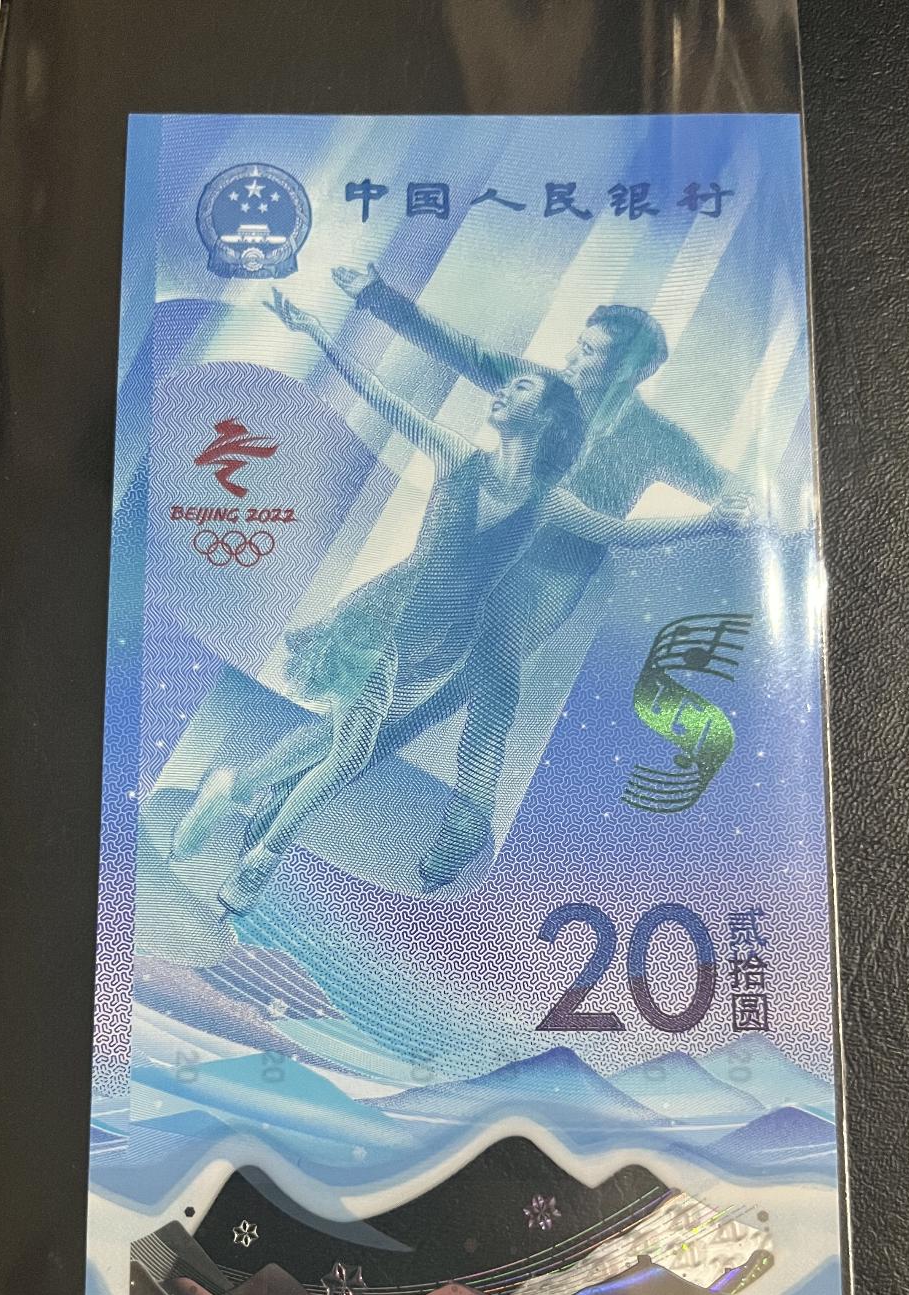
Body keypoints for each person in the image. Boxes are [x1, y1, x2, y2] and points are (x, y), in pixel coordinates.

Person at [173, 289, 732, 913]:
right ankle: (262, 853)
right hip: (388, 619)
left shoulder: (565, 488)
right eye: (577, 347)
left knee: (355, 735)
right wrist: (331, 326)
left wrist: (718, 521)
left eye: (593, 355)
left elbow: (629, 530)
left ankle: (240, 787)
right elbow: (392, 392)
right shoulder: (467, 449)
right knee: (353, 749)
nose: (509, 388)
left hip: (455, 634)